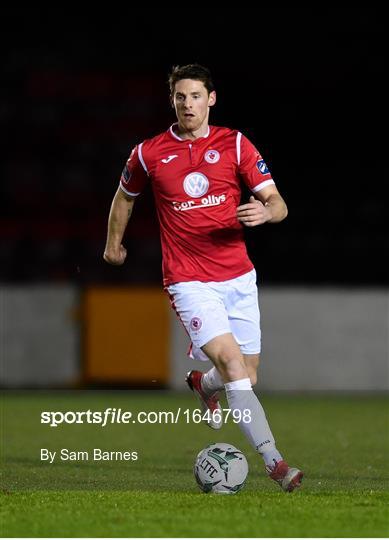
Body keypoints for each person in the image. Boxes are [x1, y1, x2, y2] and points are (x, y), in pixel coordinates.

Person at [104, 64, 303, 492]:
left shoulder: (234, 145)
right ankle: (276, 463)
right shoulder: (149, 153)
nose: (188, 104)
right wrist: (113, 244)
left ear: (211, 99)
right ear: (171, 101)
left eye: (195, 96)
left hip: (238, 277)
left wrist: (267, 212)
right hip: (187, 279)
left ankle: (203, 384)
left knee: (246, 378)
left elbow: (279, 202)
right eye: (180, 97)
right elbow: (124, 196)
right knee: (232, 363)